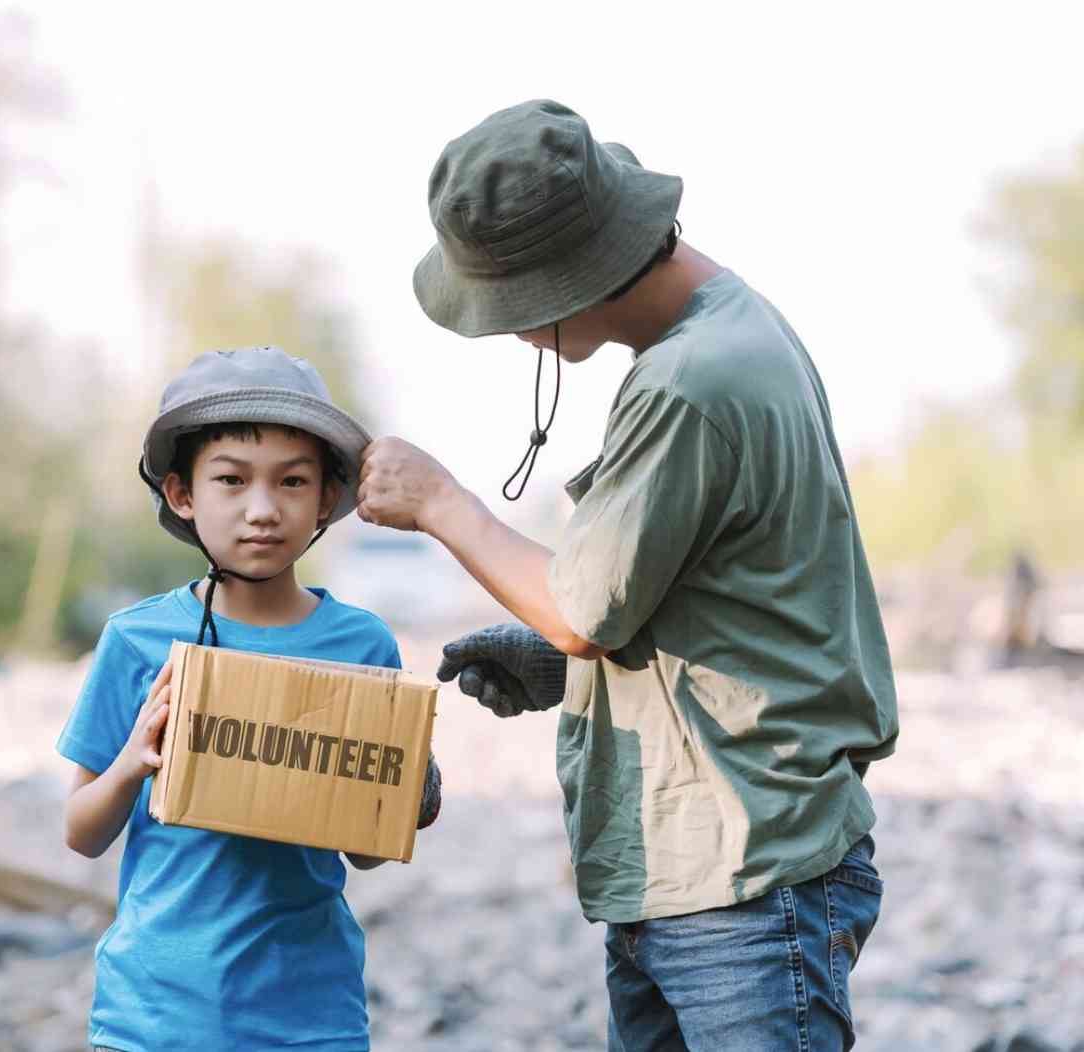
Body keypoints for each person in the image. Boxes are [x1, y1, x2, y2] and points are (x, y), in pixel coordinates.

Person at [356, 100, 899, 1051]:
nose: (510, 334)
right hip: (700, 869)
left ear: (569, 280)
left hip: (742, 879)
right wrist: (562, 666)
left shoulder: (691, 380)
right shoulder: (732, 331)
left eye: (510, 309)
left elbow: (581, 610)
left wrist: (440, 500)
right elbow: (718, 604)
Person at [59, 346, 442, 1052]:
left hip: (309, 1015)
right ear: (181, 495)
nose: (262, 510)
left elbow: (367, 857)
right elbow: (81, 833)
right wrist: (131, 765)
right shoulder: (138, 640)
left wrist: (403, 790)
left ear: (327, 497)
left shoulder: (362, 645)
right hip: (152, 1015)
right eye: (230, 480)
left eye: (292, 482)